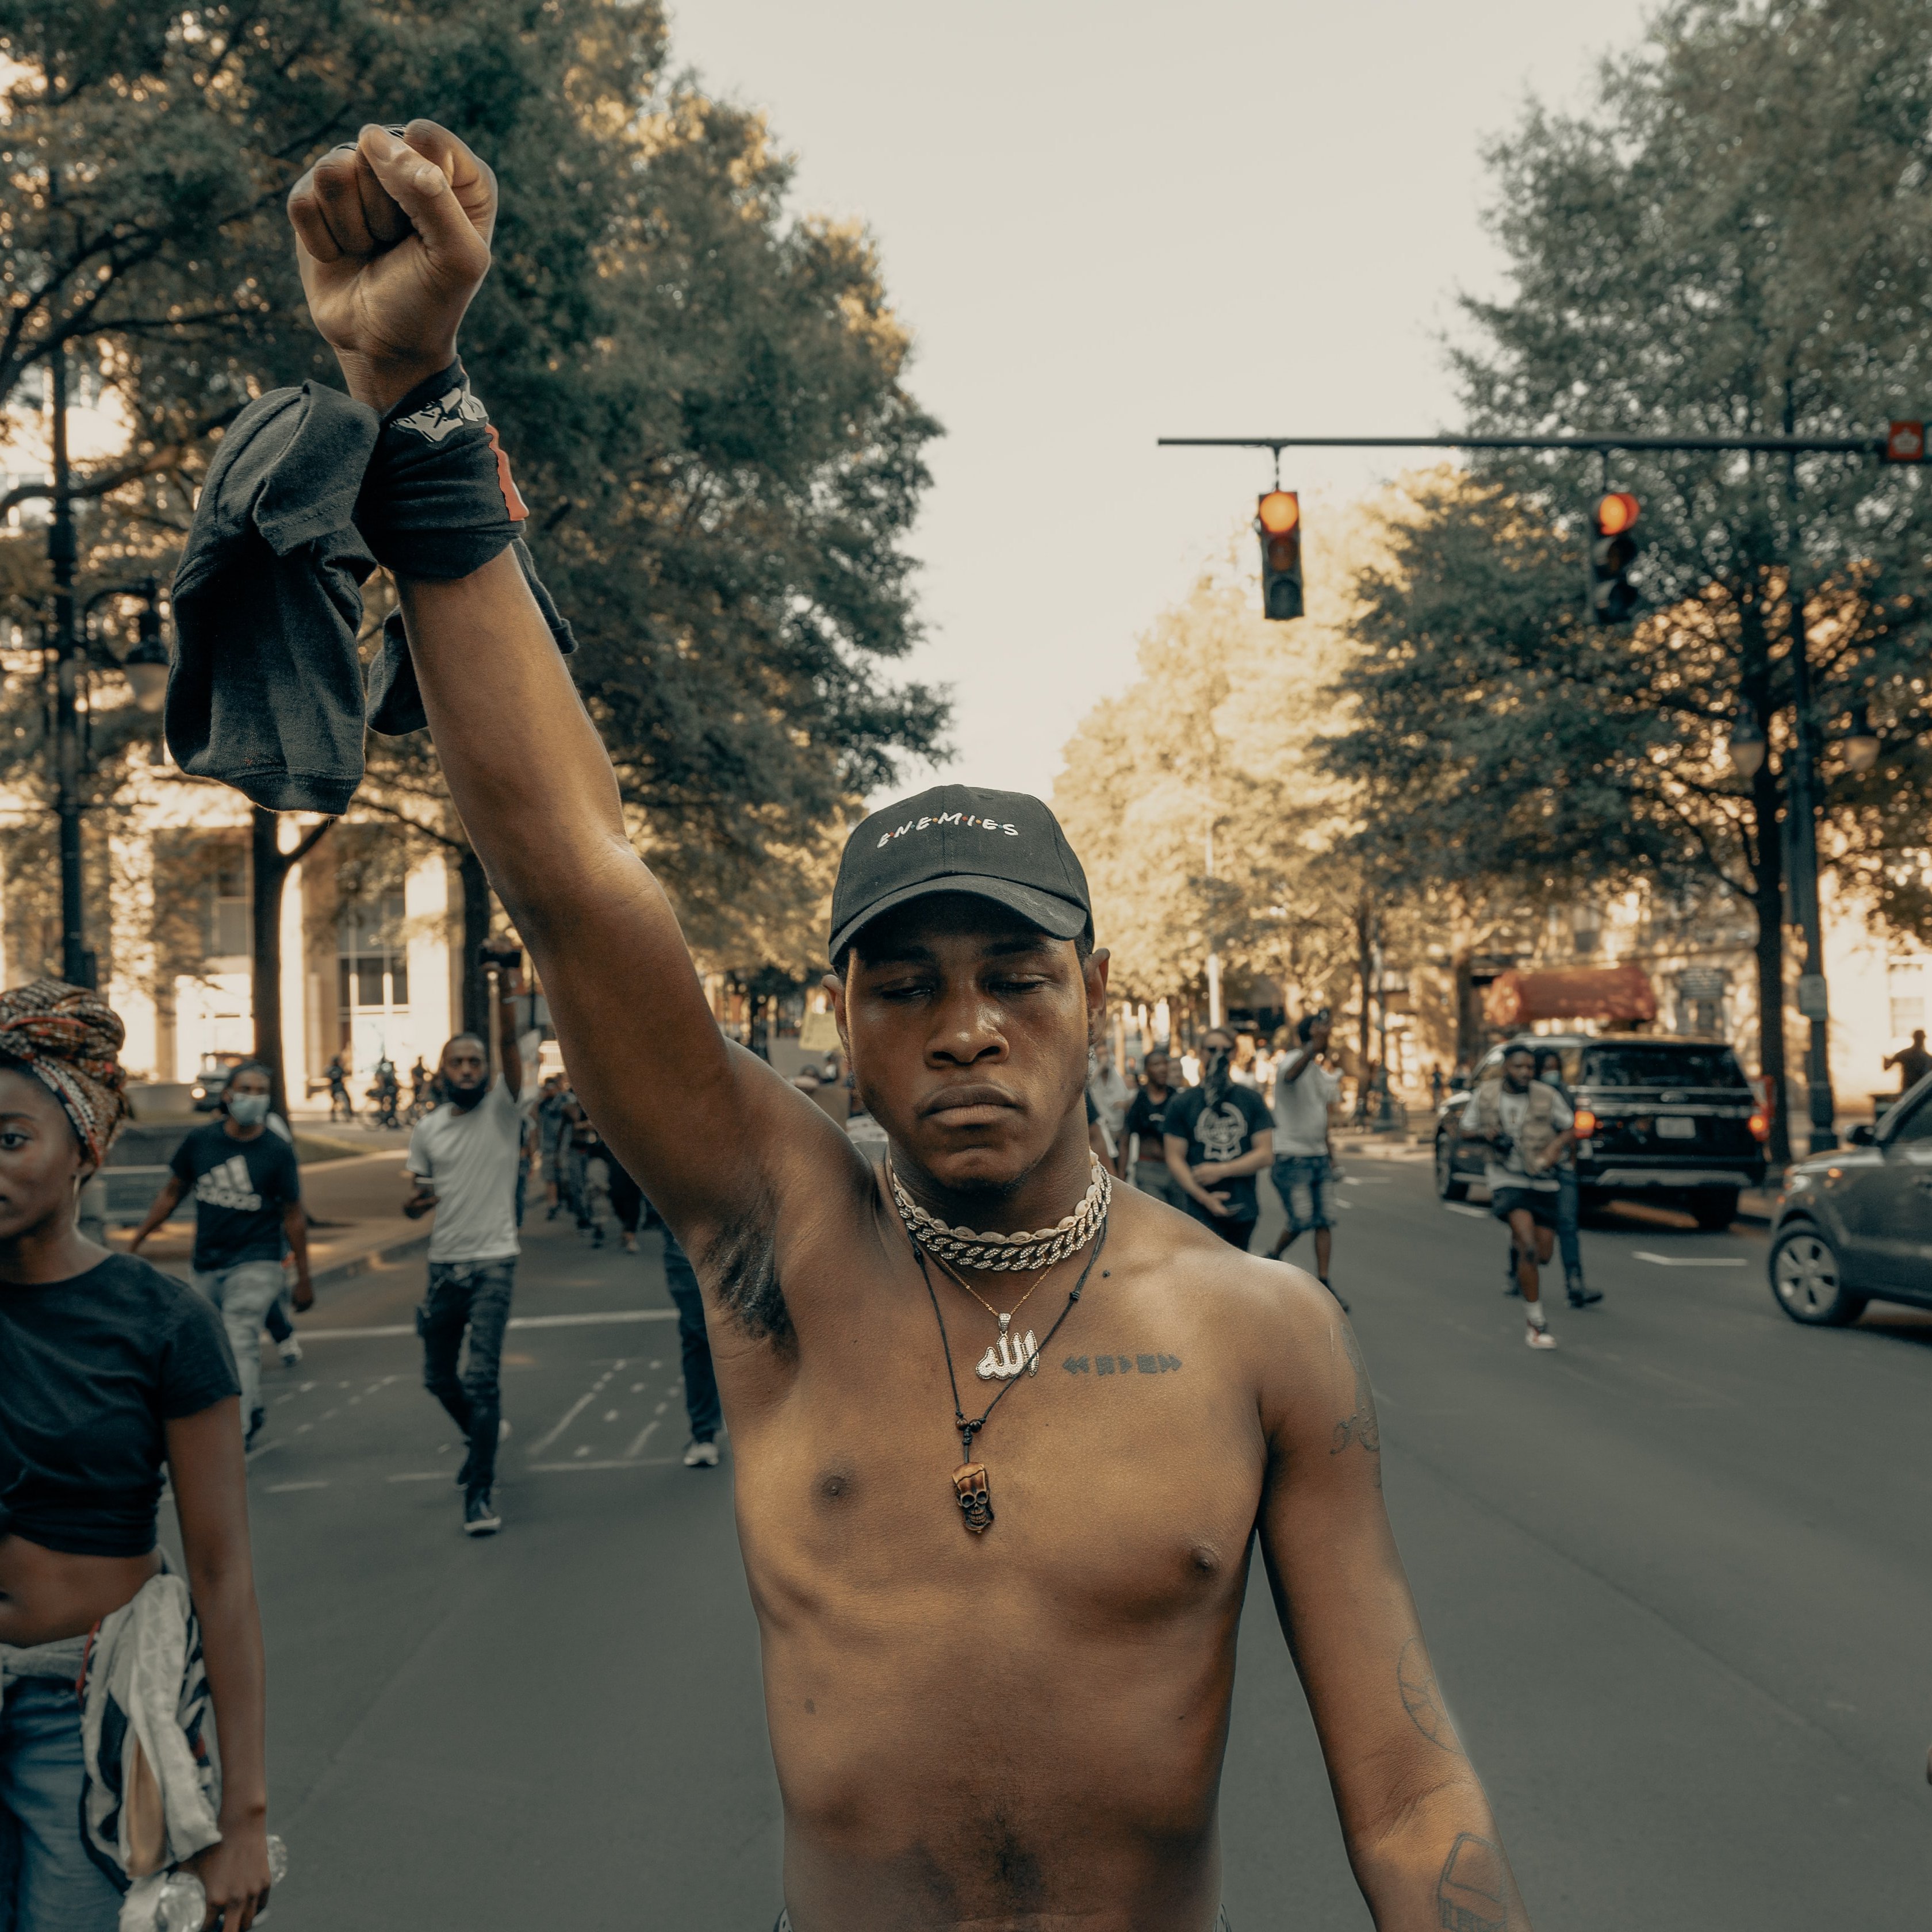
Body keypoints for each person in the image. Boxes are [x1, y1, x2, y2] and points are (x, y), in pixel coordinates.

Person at [283, 120, 1530, 1930]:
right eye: (905, 983)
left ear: (1092, 1000)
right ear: (844, 1027)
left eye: (1014, 976)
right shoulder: (776, 1243)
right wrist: (415, 403)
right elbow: (571, 876)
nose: (965, 1026)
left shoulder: (1269, 1336)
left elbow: (1411, 1793)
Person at [0, 979, 273, 1932]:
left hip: (84, 1724)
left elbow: (223, 1572)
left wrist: (242, 1818)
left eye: (10, 1138)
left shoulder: (164, 1325)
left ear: (88, 1148)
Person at [401, 961, 528, 1536]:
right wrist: (415, 1207)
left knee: (482, 1381)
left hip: (494, 1262)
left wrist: (503, 982)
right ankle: (481, 1433)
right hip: (443, 1266)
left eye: (477, 1062)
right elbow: (418, 1194)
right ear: (444, 1071)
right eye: (460, 1062)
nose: (470, 1069)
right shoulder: (427, 1131)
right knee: (436, 1378)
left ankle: (480, 1492)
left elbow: (507, 1039)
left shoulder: (505, 1111)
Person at [131, 1063, 313, 1447]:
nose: (253, 1096)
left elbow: (293, 1214)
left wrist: (304, 1277)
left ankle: (239, 1428)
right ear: (228, 1095)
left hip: (258, 1260)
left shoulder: (276, 1152)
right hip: (208, 1262)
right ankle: (254, 1405)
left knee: (240, 1335)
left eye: (261, 1090)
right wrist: (139, 1238)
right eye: (245, 1088)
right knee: (212, 1342)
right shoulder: (201, 1142)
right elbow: (173, 1191)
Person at [1460, 1042, 1575, 1349]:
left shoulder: (1547, 1096)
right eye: (1518, 1067)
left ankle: (1521, 1251)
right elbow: (1464, 1129)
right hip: (1507, 1178)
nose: (1525, 1073)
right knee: (1528, 1248)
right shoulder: (1486, 1094)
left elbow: (1569, 1127)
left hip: (1543, 1178)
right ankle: (1536, 1325)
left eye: (1530, 1068)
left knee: (1544, 1254)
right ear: (1505, 1068)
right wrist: (1486, 1133)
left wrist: (1553, 1150)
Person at [1162, 1028, 1274, 1252]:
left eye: (1226, 1049)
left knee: (1238, 1277)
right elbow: (1175, 1159)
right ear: (1201, 1053)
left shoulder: (1251, 1099)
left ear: (1234, 1054)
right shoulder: (1182, 1103)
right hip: (1198, 1211)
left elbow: (1265, 1154)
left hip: (1243, 1208)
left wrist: (1221, 1170)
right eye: (1212, 1049)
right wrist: (1205, 1199)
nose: (1218, 1055)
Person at [1267, 1012, 1345, 1305]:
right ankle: (1274, 1256)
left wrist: (1331, 1155)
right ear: (1308, 1036)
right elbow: (1290, 1076)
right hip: (1292, 1157)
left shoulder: (1320, 1072)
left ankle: (1324, 1282)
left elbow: (1322, 1117)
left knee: (1325, 1220)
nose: (1326, 1039)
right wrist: (1313, 1045)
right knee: (1302, 1219)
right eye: (1320, 1034)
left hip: (1319, 1158)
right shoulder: (1292, 1061)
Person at [1532, 1047, 1600, 1310]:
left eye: (1555, 1067)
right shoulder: (1528, 1094)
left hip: (1561, 1168)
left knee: (1568, 1225)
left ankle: (1575, 1284)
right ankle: (1517, 1272)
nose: (1552, 1073)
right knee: (1527, 1223)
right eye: (1546, 1068)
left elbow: (1575, 1128)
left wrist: (1569, 1161)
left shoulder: (1564, 1094)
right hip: (1532, 1167)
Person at [1122, 1046, 1186, 1208]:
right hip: (1148, 1170)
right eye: (1156, 1064)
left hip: (1178, 1170)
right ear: (1146, 1070)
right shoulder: (1138, 1101)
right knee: (1159, 1221)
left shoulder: (1178, 1100)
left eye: (1165, 1064)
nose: (1162, 1069)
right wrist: (1120, 1176)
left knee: (1183, 1223)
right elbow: (1125, 1140)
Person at [1884, 1027, 1932, 1094]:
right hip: (1911, 1091)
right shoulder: (1906, 1054)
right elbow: (1887, 1066)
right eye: (1920, 1039)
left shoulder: (1905, 1054)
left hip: (1919, 1091)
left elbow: (1887, 1066)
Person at [325, 1052, 352, 1122]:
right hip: (334, 1088)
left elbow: (345, 1073)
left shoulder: (339, 1068)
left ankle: (349, 1113)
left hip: (340, 1087)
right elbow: (329, 1077)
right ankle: (333, 1116)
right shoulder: (331, 1069)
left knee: (347, 1099)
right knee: (335, 1103)